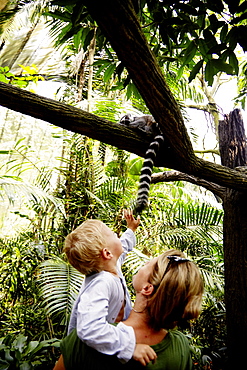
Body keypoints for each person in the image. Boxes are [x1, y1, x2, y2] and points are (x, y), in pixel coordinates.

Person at [54, 249, 204, 370]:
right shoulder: (180, 348)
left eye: (148, 264)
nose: (144, 262)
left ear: (146, 288)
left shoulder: (88, 338)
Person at [58, 209, 156, 366]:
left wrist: (130, 229)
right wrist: (129, 348)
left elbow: (123, 246)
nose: (116, 235)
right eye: (112, 234)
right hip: (88, 353)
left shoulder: (111, 266)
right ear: (107, 253)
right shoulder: (102, 283)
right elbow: (90, 328)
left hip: (103, 346)